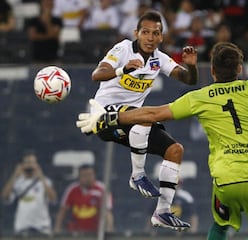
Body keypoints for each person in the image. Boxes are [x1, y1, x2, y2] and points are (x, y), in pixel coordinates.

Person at [76, 14, 248, 239]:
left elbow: (154, 112)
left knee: (220, 226)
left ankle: (158, 202)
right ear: (240, 69)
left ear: (212, 71)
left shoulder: (200, 98)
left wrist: (110, 118)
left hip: (227, 181)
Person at [77, 10, 198, 231]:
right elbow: (97, 74)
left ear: (161, 37)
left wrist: (191, 65)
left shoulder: (159, 59)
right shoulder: (123, 49)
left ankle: (162, 212)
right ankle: (137, 175)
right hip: (104, 116)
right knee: (146, 116)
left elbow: (189, 79)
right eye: (146, 32)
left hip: (133, 123)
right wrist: (123, 69)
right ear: (136, 33)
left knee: (175, 150)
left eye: (156, 33)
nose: (150, 38)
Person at [1, 151, 57, 236]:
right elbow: (5, 197)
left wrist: (41, 177)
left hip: (42, 228)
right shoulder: (17, 182)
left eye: (33, 162)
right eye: (27, 162)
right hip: (22, 228)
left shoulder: (45, 181)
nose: (30, 165)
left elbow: (53, 199)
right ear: (22, 165)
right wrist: (15, 176)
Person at [54, 164, 114, 234]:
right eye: (84, 176)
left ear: (94, 175)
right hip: (75, 233)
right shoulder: (72, 190)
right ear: (79, 177)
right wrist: (57, 231)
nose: (87, 178)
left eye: (90, 175)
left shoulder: (102, 189)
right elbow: (62, 212)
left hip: (96, 233)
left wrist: (109, 230)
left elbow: (107, 212)